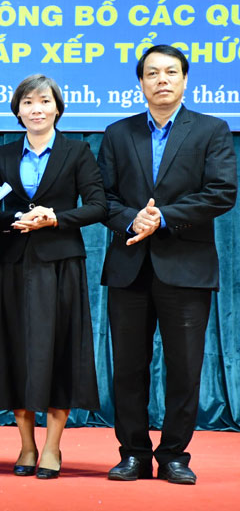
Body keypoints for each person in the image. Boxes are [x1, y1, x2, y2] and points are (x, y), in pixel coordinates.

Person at [98, 45, 237, 485]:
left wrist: (163, 217)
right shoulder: (118, 133)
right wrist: (130, 219)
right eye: (152, 73)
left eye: (170, 72)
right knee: (129, 368)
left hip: (186, 266)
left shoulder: (212, 130)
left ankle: (175, 454)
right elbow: (104, 199)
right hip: (129, 266)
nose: (162, 79)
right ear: (140, 83)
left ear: (184, 80)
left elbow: (221, 192)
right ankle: (133, 453)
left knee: (184, 367)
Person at [0, 74, 106, 479]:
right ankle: (27, 445)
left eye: (44, 101)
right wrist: (17, 219)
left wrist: (55, 218)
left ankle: (53, 447)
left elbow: (98, 206)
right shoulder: (3, 155)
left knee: (58, 350)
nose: (36, 109)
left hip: (61, 265)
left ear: (57, 109)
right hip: (13, 266)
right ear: (17, 111)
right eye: (28, 102)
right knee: (15, 350)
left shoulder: (78, 151)